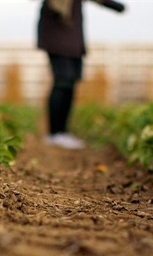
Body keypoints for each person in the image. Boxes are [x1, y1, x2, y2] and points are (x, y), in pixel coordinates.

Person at [37, 0, 125, 150]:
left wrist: (113, 5)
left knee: (70, 83)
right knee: (62, 82)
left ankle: (62, 132)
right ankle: (54, 133)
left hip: (74, 38)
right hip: (57, 34)